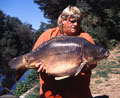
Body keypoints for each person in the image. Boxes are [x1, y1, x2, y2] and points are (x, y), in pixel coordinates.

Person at [33, 5, 97, 98]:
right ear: (63, 20)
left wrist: (88, 65)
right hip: (52, 92)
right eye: (72, 21)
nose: (75, 24)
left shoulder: (85, 38)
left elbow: (94, 62)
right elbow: (34, 57)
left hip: (78, 92)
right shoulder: (48, 35)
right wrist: (37, 66)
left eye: (78, 22)